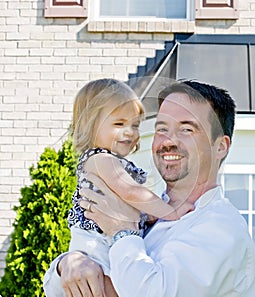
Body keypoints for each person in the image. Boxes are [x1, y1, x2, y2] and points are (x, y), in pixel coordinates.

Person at [44, 80, 255, 297]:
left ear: (220, 146)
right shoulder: (148, 213)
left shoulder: (220, 228)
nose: (169, 141)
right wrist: (70, 263)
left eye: (187, 129)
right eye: (162, 128)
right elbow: (57, 289)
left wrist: (123, 231)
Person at [43, 78, 192, 297]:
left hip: (106, 242)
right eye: (119, 124)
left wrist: (147, 215)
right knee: (112, 287)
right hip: (96, 244)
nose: (130, 132)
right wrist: (172, 212)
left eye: (135, 125)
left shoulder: (111, 161)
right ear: (90, 125)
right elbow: (130, 192)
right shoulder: (100, 158)